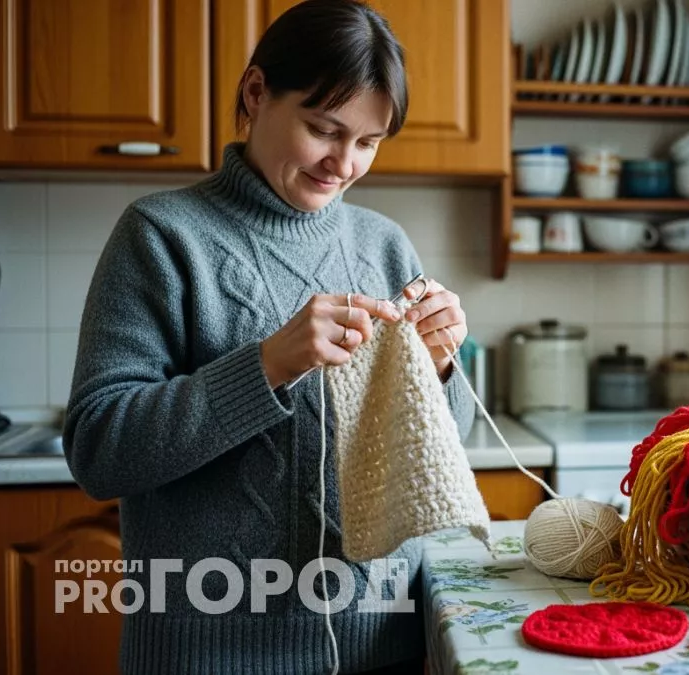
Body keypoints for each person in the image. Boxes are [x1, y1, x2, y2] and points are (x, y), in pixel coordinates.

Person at [62, 1, 475, 672]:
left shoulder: (385, 244)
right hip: (208, 655)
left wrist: (440, 367)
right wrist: (267, 365)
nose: (344, 163)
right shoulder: (161, 236)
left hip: (382, 645)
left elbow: (440, 448)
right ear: (256, 93)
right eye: (324, 129)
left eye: (368, 142)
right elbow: (99, 450)